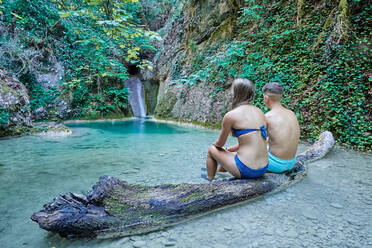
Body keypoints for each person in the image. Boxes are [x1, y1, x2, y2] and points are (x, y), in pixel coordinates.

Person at [205, 78, 268, 181]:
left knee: (212, 149)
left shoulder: (231, 115)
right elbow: (253, 140)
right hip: (263, 168)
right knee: (228, 154)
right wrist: (227, 151)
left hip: (247, 170)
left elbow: (219, 144)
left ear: (235, 93)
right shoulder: (259, 112)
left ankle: (210, 181)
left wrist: (217, 147)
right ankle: (221, 175)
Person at [263, 82, 300, 173]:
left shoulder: (268, 117)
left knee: (240, 156)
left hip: (276, 165)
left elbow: (255, 142)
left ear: (266, 98)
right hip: (291, 162)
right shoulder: (291, 113)